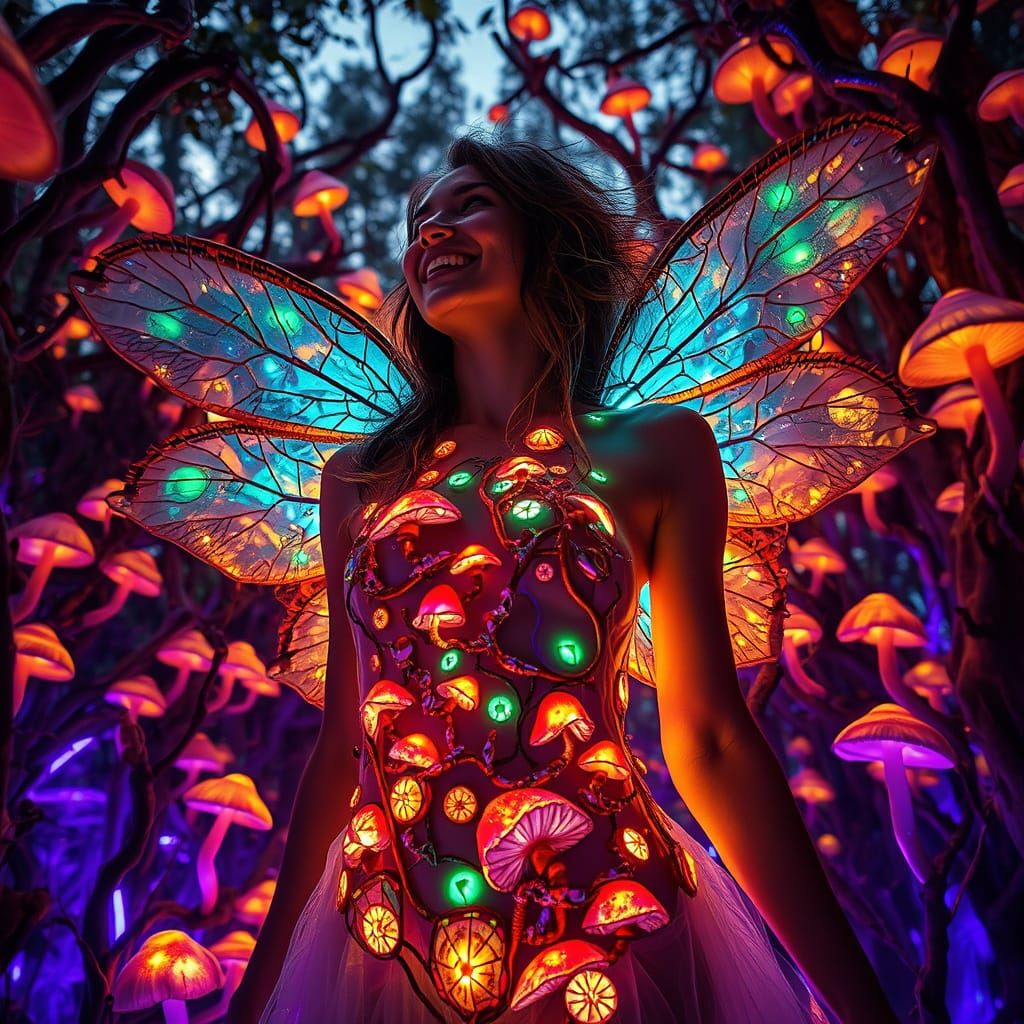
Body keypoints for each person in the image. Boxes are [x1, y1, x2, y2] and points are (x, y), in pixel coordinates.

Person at [227, 135, 899, 1024]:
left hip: (609, 924)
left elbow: (710, 743)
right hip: (393, 944)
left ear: (549, 234)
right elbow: (345, 748)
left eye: (467, 204)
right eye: (420, 219)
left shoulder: (659, 449)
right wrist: (257, 995)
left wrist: (860, 1004)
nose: (432, 229)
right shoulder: (360, 479)